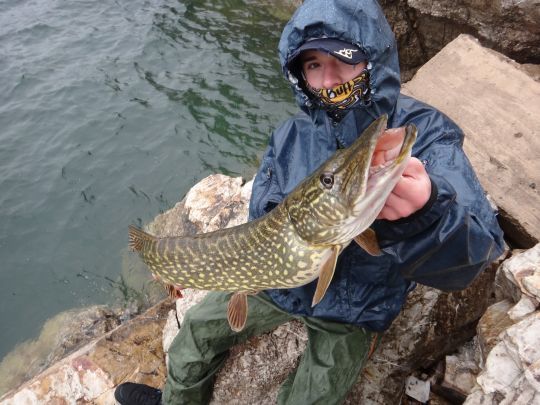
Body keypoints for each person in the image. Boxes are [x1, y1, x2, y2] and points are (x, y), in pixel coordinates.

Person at [114, 0, 505, 403]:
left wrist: (426, 212)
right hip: (278, 289)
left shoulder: (427, 132)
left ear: (374, 59)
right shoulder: (289, 137)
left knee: (308, 397)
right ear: (300, 73)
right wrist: (199, 269)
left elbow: (476, 252)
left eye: (344, 60)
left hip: (355, 311)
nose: (328, 79)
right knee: (192, 336)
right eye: (314, 65)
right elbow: (263, 218)